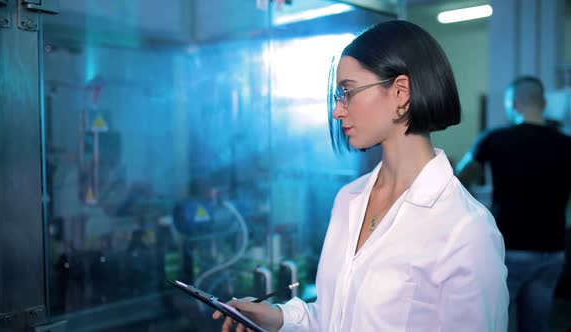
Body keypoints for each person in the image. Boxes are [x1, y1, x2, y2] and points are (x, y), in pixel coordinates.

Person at [213, 20, 509, 331]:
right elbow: (335, 317)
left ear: (400, 93)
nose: (337, 110)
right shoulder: (348, 199)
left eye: (348, 92)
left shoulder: (465, 229)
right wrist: (278, 316)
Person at [456, 76, 571, 332]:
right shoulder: (566, 144)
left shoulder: (495, 138)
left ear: (515, 104)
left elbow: (459, 180)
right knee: (537, 325)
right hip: (552, 252)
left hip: (508, 251)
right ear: (542, 103)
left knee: (494, 323)